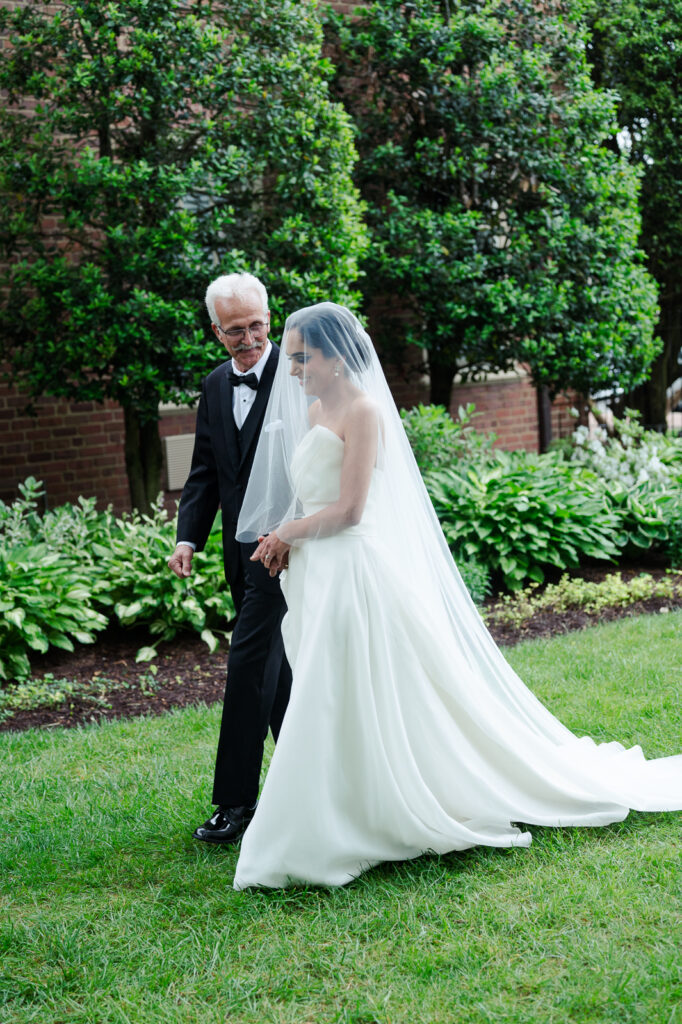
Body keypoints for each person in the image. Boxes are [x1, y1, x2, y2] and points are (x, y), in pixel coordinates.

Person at [230, 301, 682, 889]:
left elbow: (351, 509)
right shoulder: (316, 406)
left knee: (327, 691)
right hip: (317, 572)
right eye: (291, 357)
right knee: (335, 692)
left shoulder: (364, 411)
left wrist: (290, 530)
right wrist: (290, 535)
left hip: (353, 575)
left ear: (336, 357)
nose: (291, 369)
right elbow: (315, 496)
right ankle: (351, 805)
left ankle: (326, 827)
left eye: (301, 357)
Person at [168, 272, 291, 845]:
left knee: (246, 668)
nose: (250, 339)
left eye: (257, 326)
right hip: (241, 559)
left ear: (270, 318)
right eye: (236, 330)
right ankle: (313, 781)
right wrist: (187, 536)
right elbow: (205, 470)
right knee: (280, 677)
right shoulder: (216, 386)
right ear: (215, 331)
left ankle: (236, 803)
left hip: (292, 552)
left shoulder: (300, 376)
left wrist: (294, 530)